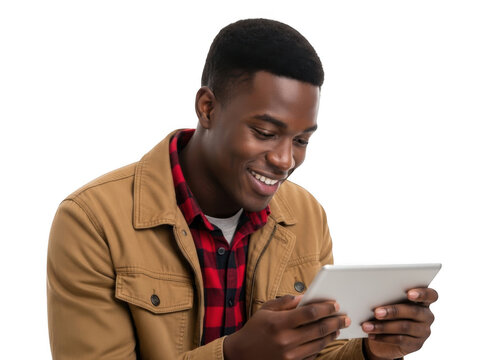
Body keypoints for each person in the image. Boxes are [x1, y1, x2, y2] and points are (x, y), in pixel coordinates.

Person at [47, 18, 438, 360]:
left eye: (301, 140)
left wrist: (373, 351)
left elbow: (321, 353)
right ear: (208, 109)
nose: (286, 161)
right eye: (265, 133)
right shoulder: (92, 221)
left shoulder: (306, 215)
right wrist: (235, 355)